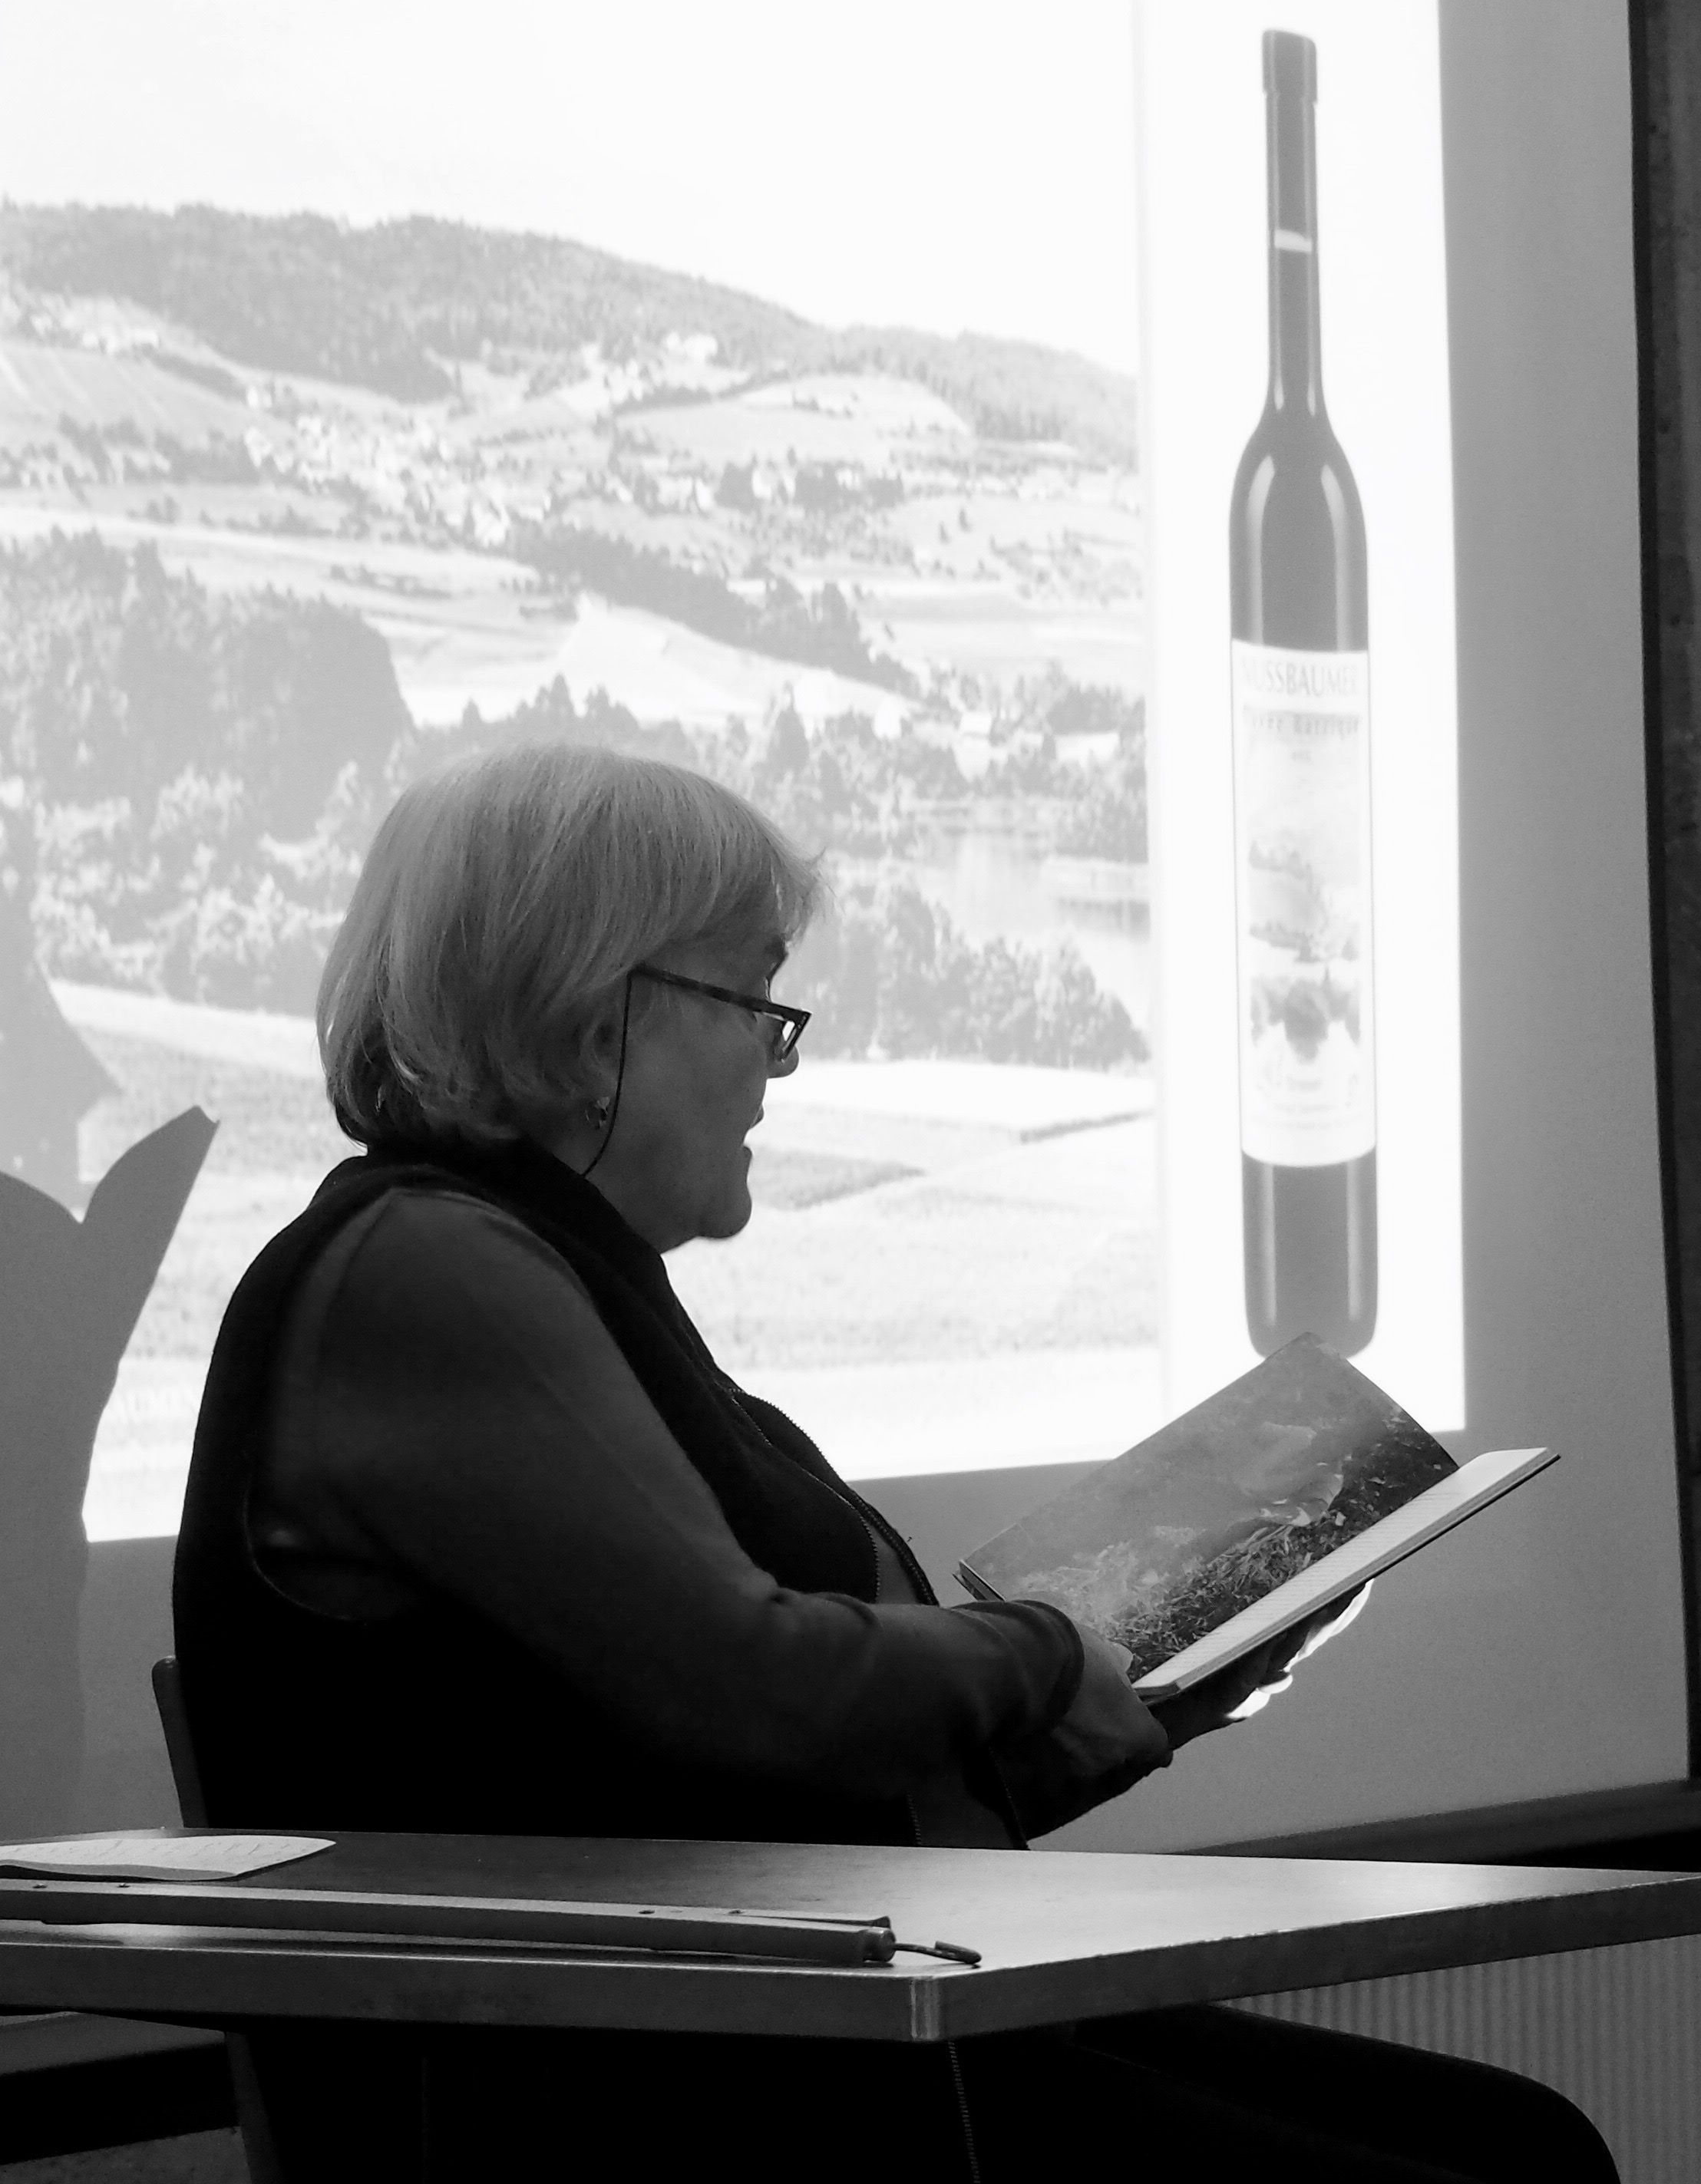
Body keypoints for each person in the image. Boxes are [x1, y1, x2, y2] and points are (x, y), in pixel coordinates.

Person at [172, 742, 1617, 2183]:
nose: (779, 1058)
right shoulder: (426, 1267)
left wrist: (1165, 1673)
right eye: (754, 998)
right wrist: (1045, 1653)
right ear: (591, 1012)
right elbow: (753, 1689)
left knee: (1521, 2144)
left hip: (809, 2029)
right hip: (658, 2099)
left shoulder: (559, 1271)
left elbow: (810, 1781)